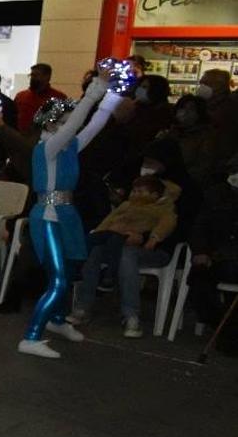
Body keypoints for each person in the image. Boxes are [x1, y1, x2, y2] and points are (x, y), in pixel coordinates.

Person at [18, 72, 123, 358]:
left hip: (66, 214)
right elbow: (79, 122)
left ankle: (57, 320)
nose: (70, 129)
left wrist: (112, 95)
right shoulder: (48, 147)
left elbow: (95, 124)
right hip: (48, 215)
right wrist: (94, 90)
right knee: (59, 278)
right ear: (51, 124)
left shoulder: (68, 147)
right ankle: (31, 336)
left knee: (68, 270)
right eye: (63, 124)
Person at [71, 173, 177, 337]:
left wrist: (153, 238)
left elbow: (166, 225)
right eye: (134, 191)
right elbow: (108, 221)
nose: (136, 195)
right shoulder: (126, 206)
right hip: (114, 240)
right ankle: (82, 306)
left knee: (126, 256)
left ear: (155, 195)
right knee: (95, 251)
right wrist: (100, 232)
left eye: (141, 191)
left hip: (147, 249)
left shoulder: (164, 209)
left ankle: (131, 315)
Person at [187, 160, 238, 346]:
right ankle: (220, 326)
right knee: (198, 280)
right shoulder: (215, 194)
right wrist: (201, 251)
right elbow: (200, 227)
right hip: (216, 257)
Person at [14, 63, 66, 133]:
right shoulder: (20, 96)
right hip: (19, 138)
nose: (32, 78)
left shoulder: (59, 98)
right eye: (31, 75)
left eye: (35, 75)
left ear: (47, 77)